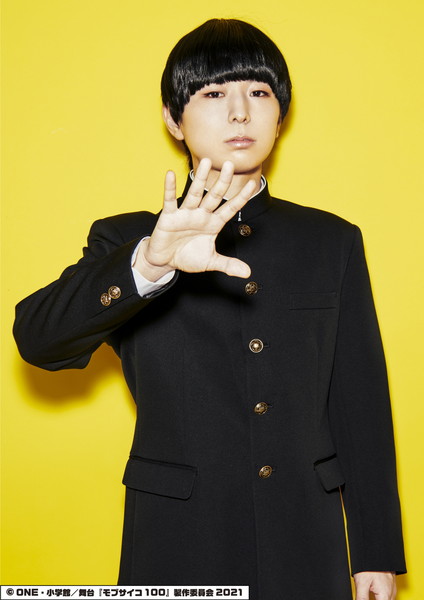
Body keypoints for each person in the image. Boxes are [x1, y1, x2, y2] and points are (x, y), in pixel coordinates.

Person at [13, 18, 406, 600]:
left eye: (259, 92)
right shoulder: (125, 239)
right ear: (174, 119)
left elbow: (360, 403)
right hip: (178, 542)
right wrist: (150, 263)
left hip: (305, 540)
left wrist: (376, 550)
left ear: (281, 114)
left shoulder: (332, 241)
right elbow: (38, 341)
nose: (240, 113)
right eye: (214, 94)